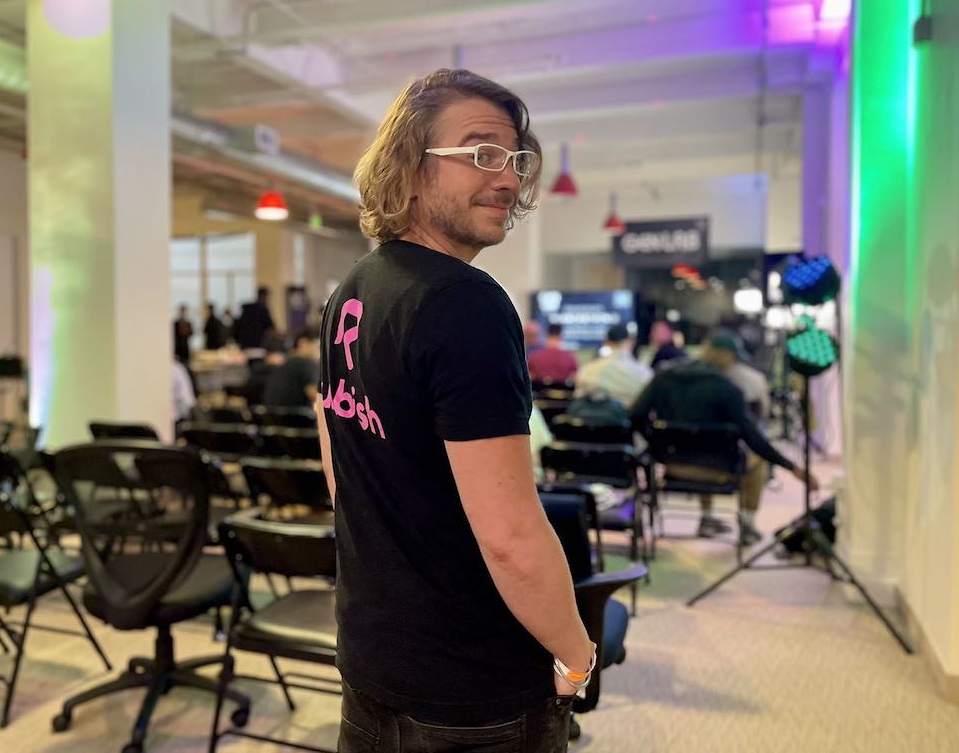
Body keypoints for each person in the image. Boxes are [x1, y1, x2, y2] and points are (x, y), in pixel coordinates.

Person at [317, 68, 594, 752]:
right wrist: (576, 655)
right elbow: (509, 534)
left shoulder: (353, 289)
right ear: (409, 168)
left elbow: (340, 474)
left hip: (372, 654)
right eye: (479, 154)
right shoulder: (464, 303)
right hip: (469, 694)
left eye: (514, 159)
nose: (508, 178)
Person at [628, 329, 818, 545]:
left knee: (698, 446)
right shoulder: (727, 390)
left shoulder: (663, 377)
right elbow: (754, 439)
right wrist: (791, 467)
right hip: (717, 469)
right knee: (757, 461)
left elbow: (635, 415)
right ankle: (747, 525)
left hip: (671, 465)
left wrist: (654, 442)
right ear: (726, 356)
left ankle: (707, 518)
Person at [573, 325, 653, 408]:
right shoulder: (644, 373)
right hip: (629, 418)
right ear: (631, 342)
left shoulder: (587, 370)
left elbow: (578, 397)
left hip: (592, 418)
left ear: (606, 342)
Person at [262, 330, 319, 409]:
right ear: (303, 343)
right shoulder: (304, 364)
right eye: (318, 347)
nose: (320, 352)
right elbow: (318, 397)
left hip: (273, 418)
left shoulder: (286, 364)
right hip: (296, 418)